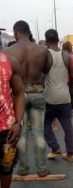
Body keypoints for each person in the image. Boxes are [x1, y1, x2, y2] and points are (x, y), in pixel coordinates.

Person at [5, 20, 52, 177]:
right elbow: (46, 69)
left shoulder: (9, 52)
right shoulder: (43, 50)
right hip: (37, 94)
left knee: (21, 132)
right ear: (28, 31)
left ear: (16, 33)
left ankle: (23, 168)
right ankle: (42, 169)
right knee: (38, 132)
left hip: (19, 97)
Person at [44, 29, 73, 163]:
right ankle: (71, 154)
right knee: (68, 126)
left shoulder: (45, 55)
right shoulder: (67, 56)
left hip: (50, 97)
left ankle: (55, 148)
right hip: (65, 97)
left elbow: (40, 75)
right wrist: (70, 92)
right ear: (58, 40)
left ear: (46, 41)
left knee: (44, 124)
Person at [0, 51, 24, 188]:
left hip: (7, 130)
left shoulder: (10, 61)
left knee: (6, 167)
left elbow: (19, 92)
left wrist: (18, 123)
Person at [62, 41, 73, 110]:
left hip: (63, 79)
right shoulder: (72, 57)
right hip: (71, 79)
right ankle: (71, 107)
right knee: (72, 93)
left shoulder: (61, 57)